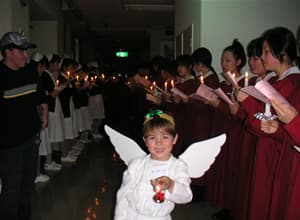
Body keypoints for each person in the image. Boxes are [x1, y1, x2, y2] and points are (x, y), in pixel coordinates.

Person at [237, 27, 300, 220]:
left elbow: (280, 126)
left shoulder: (292, 83)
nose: (261, 57)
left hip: (280, 154)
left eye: (265, 52)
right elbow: (261, 124)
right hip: (271, 148)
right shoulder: (276, 83)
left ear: (280, 52)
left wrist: (246, 102)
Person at [114, 111, 193, 220]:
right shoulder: (136, 164)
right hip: (132, 216)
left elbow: (186, 196)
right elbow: (123, 196)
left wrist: (170, 185)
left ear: (174, 139)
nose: (159, 143)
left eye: (165, 137)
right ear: (145, 141)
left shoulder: (178, 166)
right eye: (152, 138)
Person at [0, 32, 45, 219]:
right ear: (8, 52)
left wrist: (44, 115)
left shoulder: (29, 73)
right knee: (12, 187)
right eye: (22, 51)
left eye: (26, 51)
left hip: (30, 139)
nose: (26, 56)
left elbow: (40, 96)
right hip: (9, 144)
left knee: (27, 184)